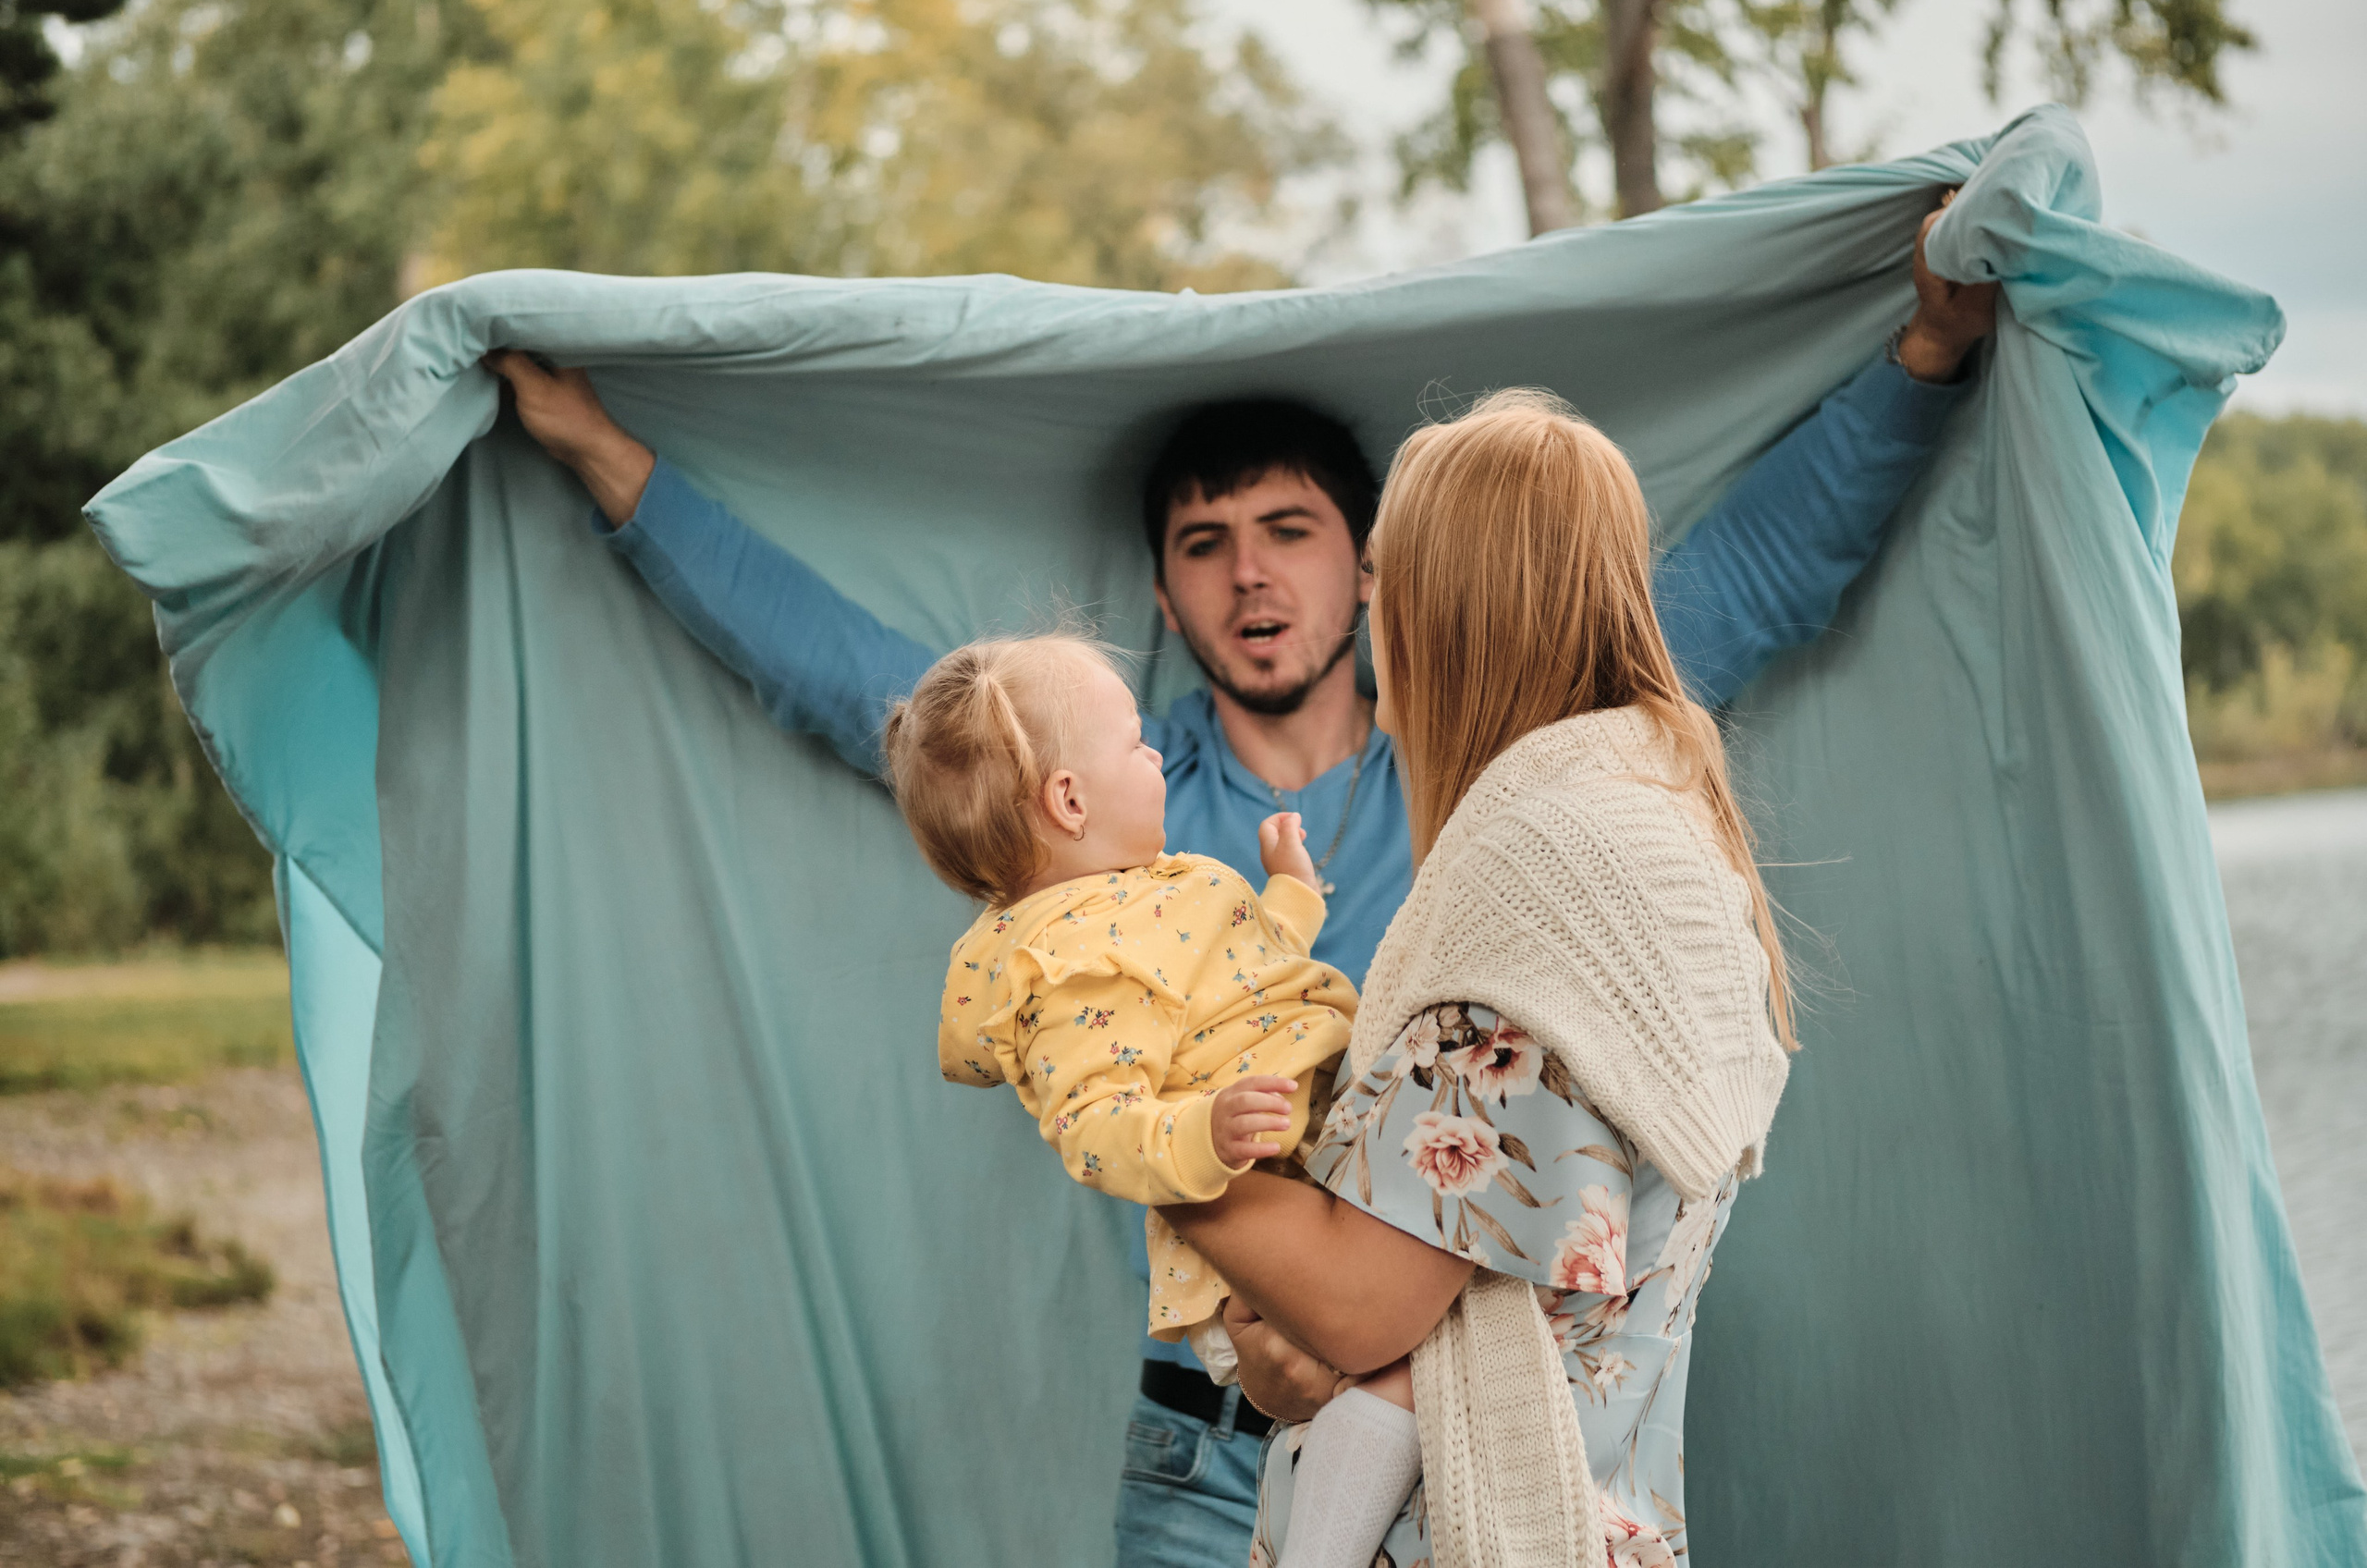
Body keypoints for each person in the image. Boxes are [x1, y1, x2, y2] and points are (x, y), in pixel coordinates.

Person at [485, 203, 1996, 1566]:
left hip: (1452, 1410)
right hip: (1205, 1436)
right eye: (1205, 545)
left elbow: (1723, 586)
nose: (1251, 574)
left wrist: (1926, 352)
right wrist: (604, 454)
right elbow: (860, 683)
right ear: (1164, 592)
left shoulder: (1516, 781)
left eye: (1288, 532)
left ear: (1376, 572)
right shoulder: (1111, 821)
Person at [1164, 386, 1796, 1566]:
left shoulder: (1533, 899)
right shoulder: (1662, 840)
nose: (1373, 618)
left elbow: (1361, 1309)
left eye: (1383, 581)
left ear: (1441, 610)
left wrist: (1148, 1142)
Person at [884, 632, 1418, 1567]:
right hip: (1264, 1227)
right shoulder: (1072, 966)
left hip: (1318, 1156)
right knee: (1390, 1378)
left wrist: (1291, 890)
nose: (1158, 754)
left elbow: (1247, 972)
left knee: (1395, 1370)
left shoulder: (1148, 896)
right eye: (1135, 743)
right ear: (1069, 800)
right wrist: (1202, 1132)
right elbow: (1092, 1128)